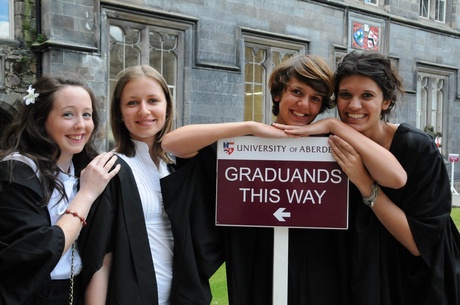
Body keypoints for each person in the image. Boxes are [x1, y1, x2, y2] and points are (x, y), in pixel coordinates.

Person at [161, 54, 406, 305]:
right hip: (258, 268)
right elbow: (172, 144)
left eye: (315, 99)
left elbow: (396, 177)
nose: (304, 105)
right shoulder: (243, 149)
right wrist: (251, 127)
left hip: (324, 274)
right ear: (277, 93)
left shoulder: (331, 147)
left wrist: (335, 125)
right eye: (297, 92)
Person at [277, 50, 460, 305]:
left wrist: (364, 183)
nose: (354, 106)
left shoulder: (417, 149)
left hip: (413, 281)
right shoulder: (328, 146)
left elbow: (420, 243)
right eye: (345, 95)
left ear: (386, 101)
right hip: (355, 275)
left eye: (367, 96)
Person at [80, 65, 224, 305]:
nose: (144, 111)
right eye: (132, 103)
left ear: (167, 108)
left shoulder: (175, 169)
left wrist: (252, 127)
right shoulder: (110, 169)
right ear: (119, 112)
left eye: (153, 100)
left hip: (181, 296)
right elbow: (101, 257)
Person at [0, 74, 120, 305]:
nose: (80, 125)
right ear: (40, 119)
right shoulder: (16, 172)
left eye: (87, 114)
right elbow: (38, 251)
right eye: (68, 114)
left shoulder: (88, 171)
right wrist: (86, 195)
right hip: (30, 296)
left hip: (78, 290)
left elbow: (104, 247)